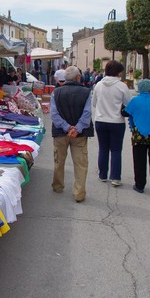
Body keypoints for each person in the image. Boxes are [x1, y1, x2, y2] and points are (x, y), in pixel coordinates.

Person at [50, 66, 94, 203]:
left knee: (59, 160)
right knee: (80, 164)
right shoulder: (86, 92)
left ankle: (58, 186)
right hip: (79, 135)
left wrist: (66, 126)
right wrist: (77, 128)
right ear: (77, 78)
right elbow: (87, 113)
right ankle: (79, 193)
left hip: (60, 132)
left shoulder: (56, 92)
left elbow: (54, 114)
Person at [92, 60, 131, 186]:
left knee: (103, 148)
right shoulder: (122, 86)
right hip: (117, 121)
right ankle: (115, 177)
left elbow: (94, 103)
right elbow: (128, 104)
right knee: (116, 150)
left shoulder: (98, 85)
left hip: (101, 120)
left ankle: (102, 174)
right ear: (118, 72)